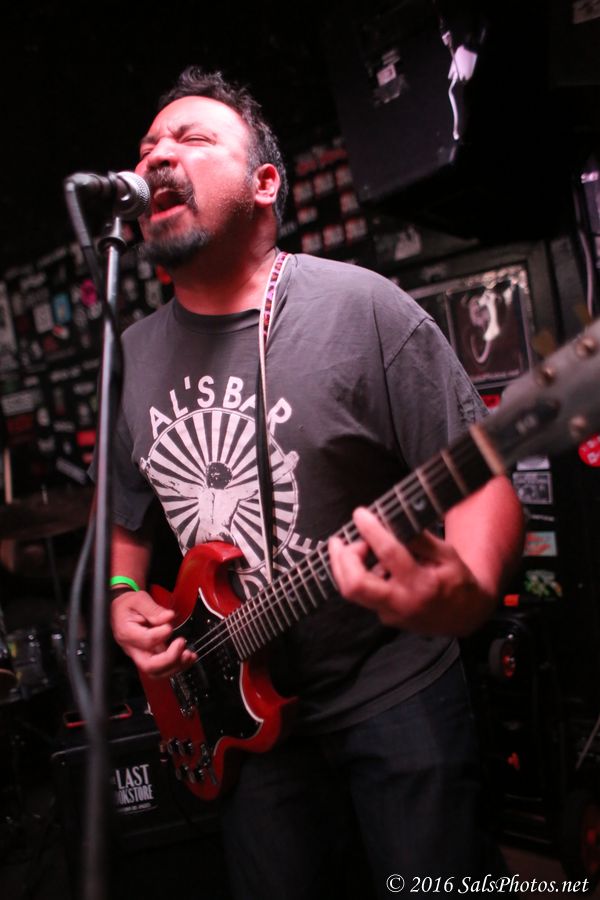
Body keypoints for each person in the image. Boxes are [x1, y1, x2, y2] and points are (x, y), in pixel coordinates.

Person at [106, 66, 523, 899]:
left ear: (265, 184)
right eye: (148, 145)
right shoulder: (132, 358)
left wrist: (469, 592)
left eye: (192, 138)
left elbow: (481, 476)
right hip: (234, 711)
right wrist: (122, 596)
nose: (156, 156)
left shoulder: (362, 307)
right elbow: (125, 520)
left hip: (391, 687)